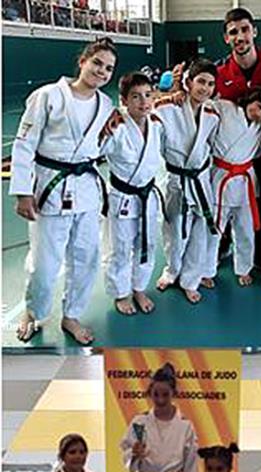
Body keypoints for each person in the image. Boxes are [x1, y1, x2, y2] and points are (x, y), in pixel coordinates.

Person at [11, 37, 118, 345]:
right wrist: (22, 191)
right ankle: (34, 311)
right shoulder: (48, 96)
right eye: (97, 63)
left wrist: (110, 134)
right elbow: (24, 144)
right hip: (49, 188)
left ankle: (71, 315)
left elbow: (97, 149)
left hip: (85, 189)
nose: (101, 71)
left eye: (108, 68)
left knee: (86, 257)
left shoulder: (105, 105)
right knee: (45, 264)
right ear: (82, 61)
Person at [155, 59, 221, 303]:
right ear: (189, 82)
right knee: (174, 231)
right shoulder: (165, 109)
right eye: (201, 81)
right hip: (176, 180)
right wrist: (166, 94)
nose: (205, 88)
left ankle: (191, 280)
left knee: (199, 232)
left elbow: (212, 145)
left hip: (201, 180)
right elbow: (151, 137)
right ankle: (172, 271)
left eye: (211, 84)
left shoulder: (213, 113)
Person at [209, 87, 261, 287]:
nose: (259, 113)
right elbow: (199, 107)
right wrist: (178, 90)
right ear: (252, 98)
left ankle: (244, 268)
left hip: (245, 180)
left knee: (245, 228)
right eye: (259, 106)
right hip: (220, 177)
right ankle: (206, 269)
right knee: (213, 228)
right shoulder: (224, 108)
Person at [100, 71, 163, 316]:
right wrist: (106, 120)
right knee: (121, 247)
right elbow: (94, 147)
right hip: (123, 197)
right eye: (135, 97)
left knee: (147, 243)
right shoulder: (115, 127)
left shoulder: (156, 124)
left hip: (147, 196)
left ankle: (139, 287)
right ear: (123, 100)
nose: (143, 102)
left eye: (148, 95)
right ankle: (121, 292)